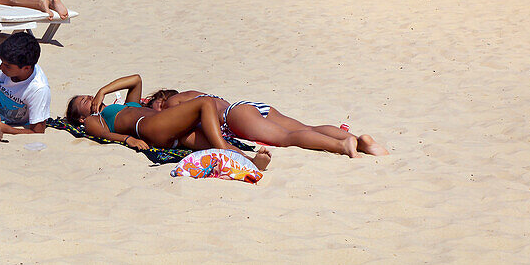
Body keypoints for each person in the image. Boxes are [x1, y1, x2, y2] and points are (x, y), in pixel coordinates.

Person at [65, 75, 271, 169]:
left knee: (212, 140)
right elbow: (101, 134)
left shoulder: (128, 104)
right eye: (84, 101)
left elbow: (135, 79)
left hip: (168, 131)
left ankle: (250, 162)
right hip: (148, 128)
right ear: (80, 117)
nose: (89, 98)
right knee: (205, 104)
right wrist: (128, 139)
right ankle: (229, 154)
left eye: (87, 95)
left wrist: (103, 90)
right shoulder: (94, 119)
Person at [144, 88, 388, 157]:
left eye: (153, 105)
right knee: (306, 127)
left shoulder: (174, 102)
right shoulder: (192, 92)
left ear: (161, 99)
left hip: (233, 117)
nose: (154, 112)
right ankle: (359, 141)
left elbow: (193, 123)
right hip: (245, 107)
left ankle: (343, 146)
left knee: (287, 138)